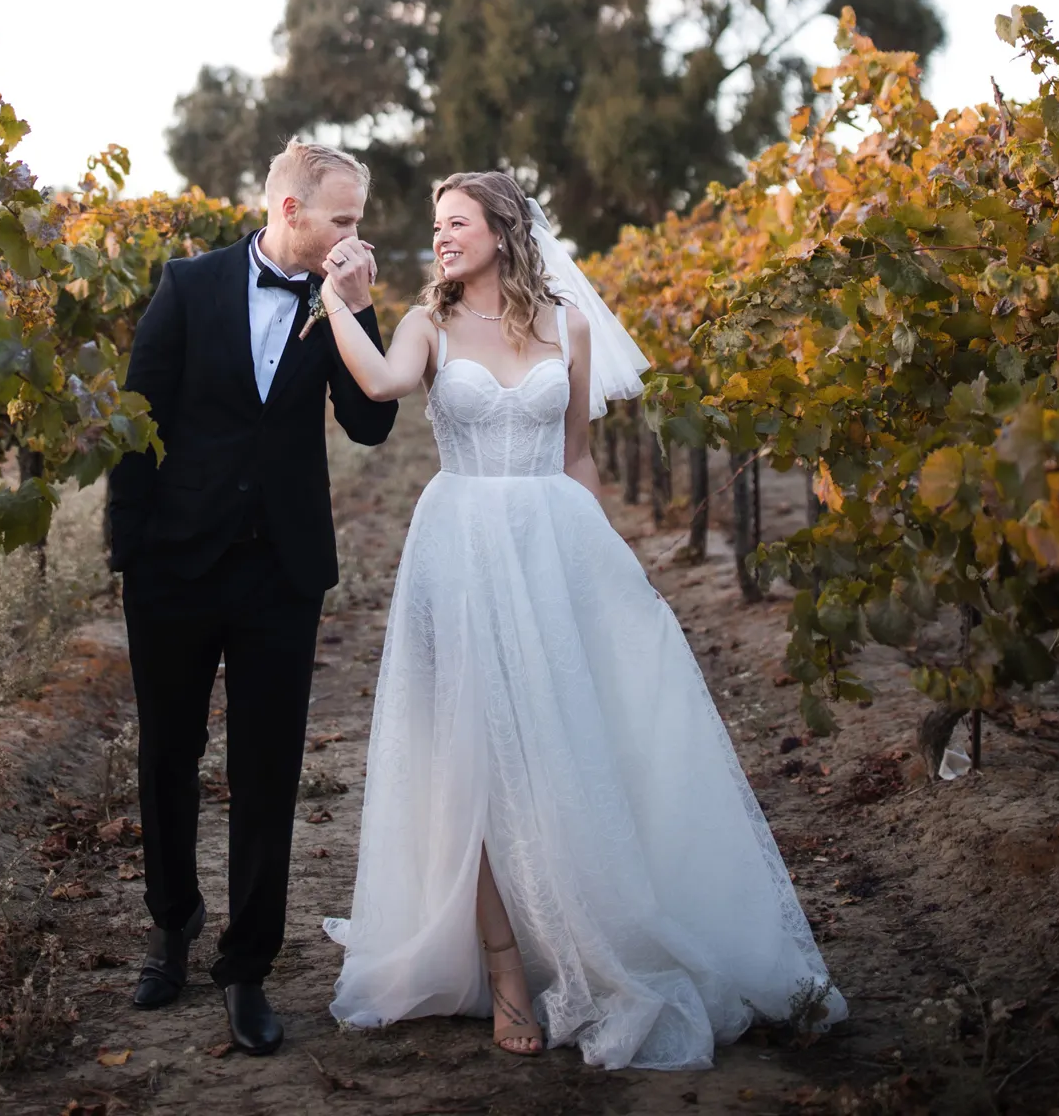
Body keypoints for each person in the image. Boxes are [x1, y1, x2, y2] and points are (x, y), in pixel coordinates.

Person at [317, 171, 845, 1070]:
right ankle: (505, 967)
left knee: (571, 741)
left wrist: (608, 567)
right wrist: (340, 299)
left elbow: (579, 455)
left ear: (503, 230)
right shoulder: (427, 323)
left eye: (455, 224)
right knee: (474, 756)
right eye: (435, 225)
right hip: (462, 543)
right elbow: (379, 386)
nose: (439, 238)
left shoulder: (569, 325)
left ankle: (589, 932)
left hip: (554, 541)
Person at [107, 140, 396, 1057]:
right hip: (176, 566)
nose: (356, 235)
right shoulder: (186, 287)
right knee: (169, 753)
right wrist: (132, 556)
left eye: (359, 220)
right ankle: (171, 923)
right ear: (290, 210)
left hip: (283, 570)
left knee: (266, 769)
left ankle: (247, 968)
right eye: (343, 219)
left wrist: (357, 306)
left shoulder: (339, 300)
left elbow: (373, 424)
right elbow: (137, 419)